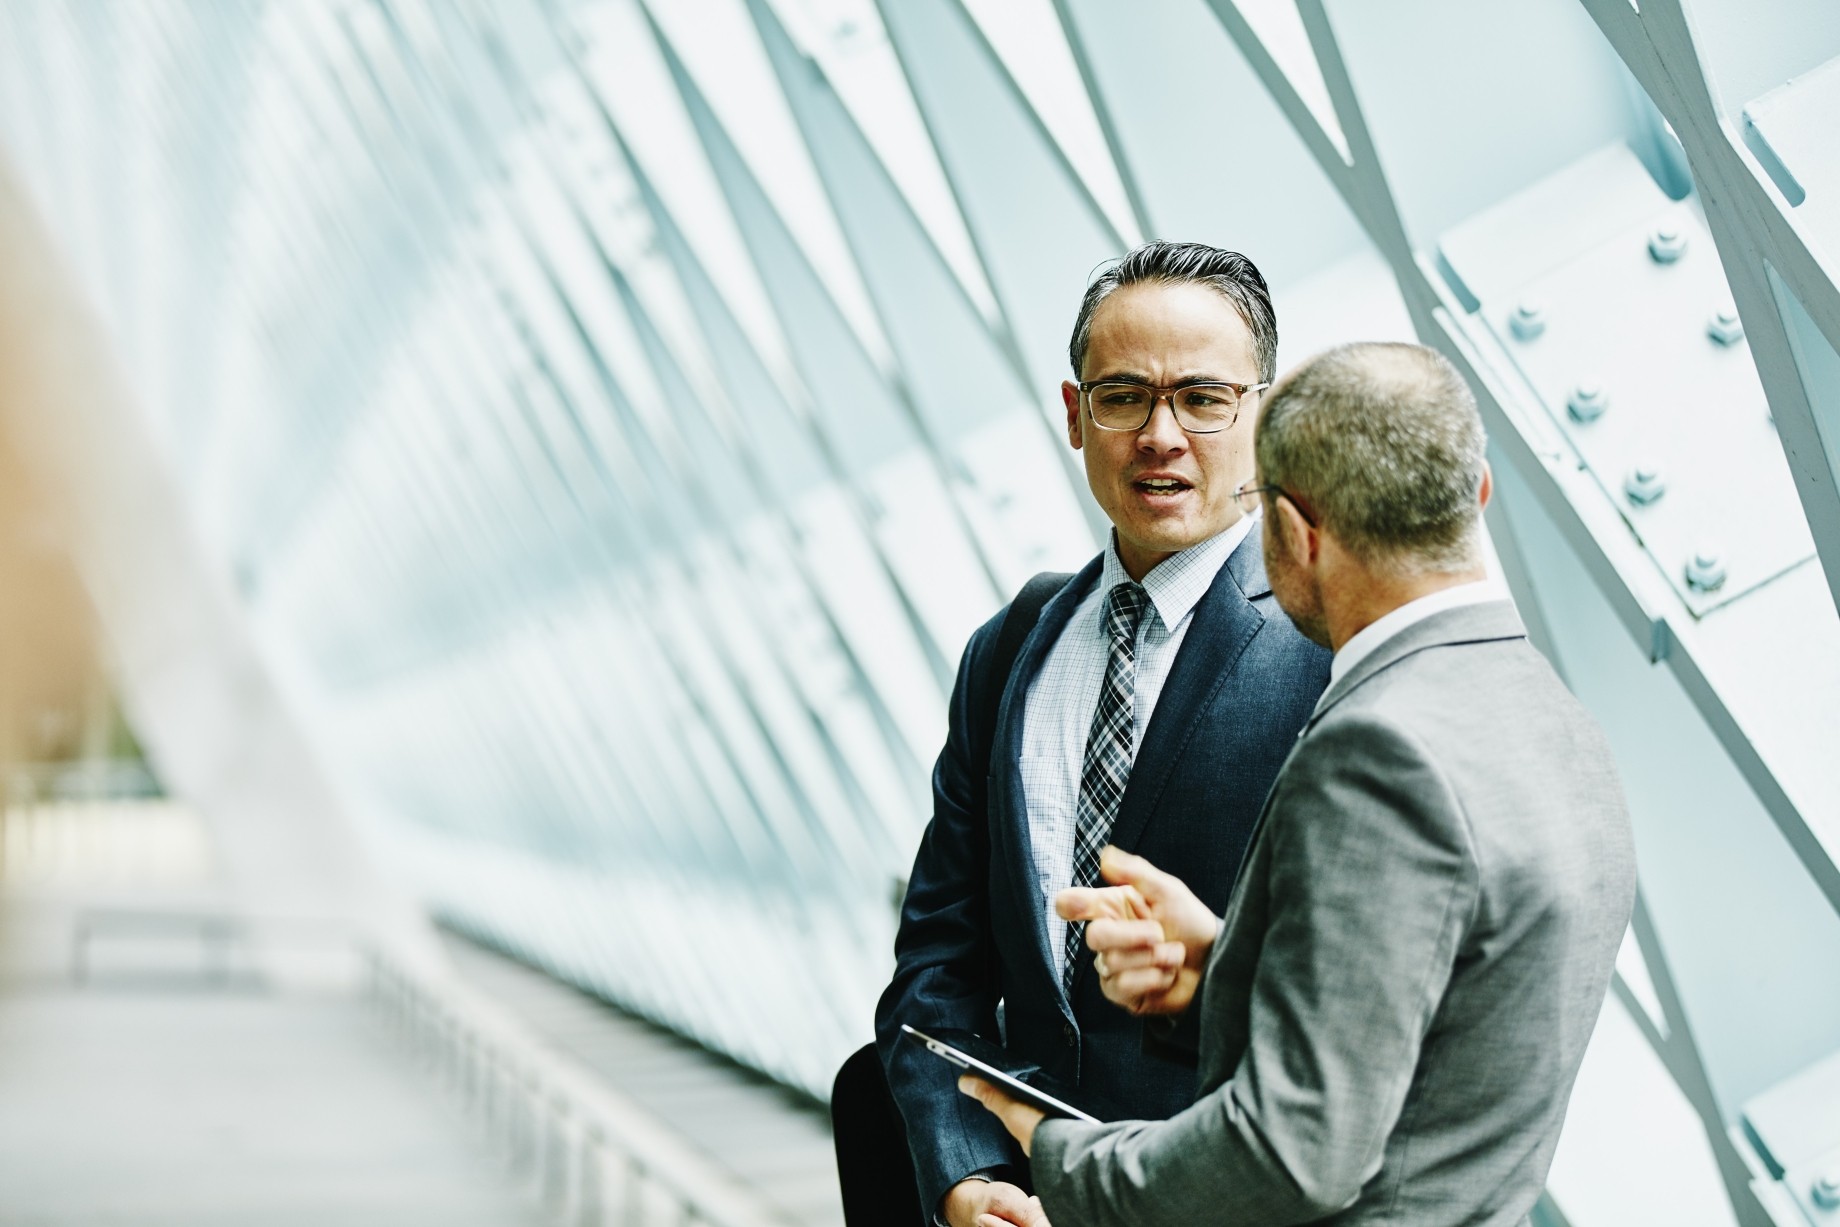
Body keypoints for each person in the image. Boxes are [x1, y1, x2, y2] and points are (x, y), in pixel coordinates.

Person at [959, 341, 1638, 1226]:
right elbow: (1425, 1042)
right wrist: (1223, 963)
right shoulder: (1553, 717)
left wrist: (1064, 1165)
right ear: (1477, 492)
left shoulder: (1379, 749)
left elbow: (1295, 1152)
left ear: (1292, 529)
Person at [868, 241, 1332, 1227]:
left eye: (1203, 399)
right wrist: (964, 1174)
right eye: (1124, 398)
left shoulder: (1328, 644)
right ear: (1075, 416)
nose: (1160, 436)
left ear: (1264, 412)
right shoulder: (1012, 648)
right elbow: (939, 960)